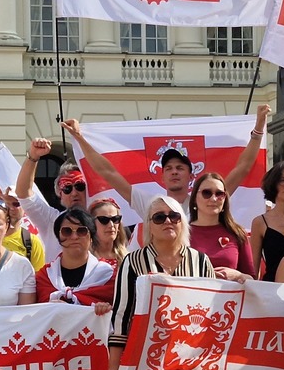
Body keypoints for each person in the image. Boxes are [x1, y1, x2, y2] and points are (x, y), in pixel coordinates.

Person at [62, 105, 270, 227]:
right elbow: (108, 172)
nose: (174, 172)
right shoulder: (151, 204)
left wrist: (259, 128)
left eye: (180, 168)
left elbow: (242, 168)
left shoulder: (207, 201)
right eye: (168, 168)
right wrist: (79, 138)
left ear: (192, 176)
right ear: (161, 177)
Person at [106, 196, 216, 370]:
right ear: (149, 226)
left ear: (182, 222)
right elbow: (122, 316)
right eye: (159, 217)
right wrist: (114, 366)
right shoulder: (132, 262)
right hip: (145, 358)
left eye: (174, 216)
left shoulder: (201, 261)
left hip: (191, 360)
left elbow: (213, 313)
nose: (167, 221)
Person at [16, 141, 86, 263]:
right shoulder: (51, 220)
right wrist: (33, 157)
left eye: (80, 186)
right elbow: (23, 193)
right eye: (67, 188)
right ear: (60, 194)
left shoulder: (103, 219)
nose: (74, 193)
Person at [35, 207, 116, 305]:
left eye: (81, 231)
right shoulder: (43, 277)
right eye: (67, 231)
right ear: (58, 237)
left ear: (91, 237)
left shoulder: (109, 276)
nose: (74, 237)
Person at [188, 173, 255, 283]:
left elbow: (252, 279)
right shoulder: (182, 233)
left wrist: (237, 275)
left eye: (219, 194)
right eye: (206, 193)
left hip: (229, 294)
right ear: (195, 198)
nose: (213, 199)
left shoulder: (237, 233)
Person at [249, 160, 284, 281]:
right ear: (273, 183)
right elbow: (254, 267)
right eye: (283, 180)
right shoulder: (260, 222)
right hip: (272, 287)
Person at [0, 189, 46, 271]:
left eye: (16, 204)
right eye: (6, 204)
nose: (11, 208)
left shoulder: (32, 242)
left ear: (24, 208)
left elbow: (38, 276)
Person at [89, 198, 129, 263]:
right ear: (92, 224)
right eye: (104, 220)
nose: (111, 225)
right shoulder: (85, 259)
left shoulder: (129, 259)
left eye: (115, 219)